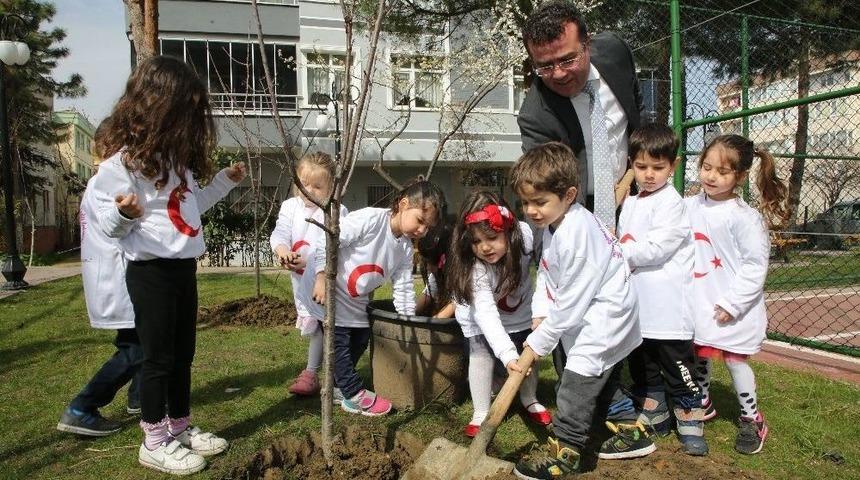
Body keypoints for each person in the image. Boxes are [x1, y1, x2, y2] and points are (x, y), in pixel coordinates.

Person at [89, 55, 247, 475]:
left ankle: (179, 425)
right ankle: (154, 439)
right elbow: (106, 223)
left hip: (182, 270)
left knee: (182, 355)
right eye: (185, 112)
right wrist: (124, 213)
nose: (192, 122)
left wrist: (223, 183)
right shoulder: (123, 165)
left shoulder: (176, 165)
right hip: (151, 272)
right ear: (158, 107)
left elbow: (190, 212)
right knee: (158, 358)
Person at [509, 143, 654, 480]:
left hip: (605, 316)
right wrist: (539, 313)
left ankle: (567, 451)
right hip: (591, 311)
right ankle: (631, 432)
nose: (531, 211)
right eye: (525, 202)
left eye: (539, 202)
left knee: (575, 381)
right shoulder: (556, 223)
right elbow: (546, 271)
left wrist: (535, 343)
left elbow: (571, 304)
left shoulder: (577, 234)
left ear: (569, 194)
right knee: (597, 379)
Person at [301, 179, 445, 416]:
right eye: (420, 221)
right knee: (339, 344)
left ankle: (338, 386)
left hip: (355, 298)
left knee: (359, 338)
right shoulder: (370, 220)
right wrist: (320, 276)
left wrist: (407, 323)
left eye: (427, 227)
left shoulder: (405, 248)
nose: (422, 231)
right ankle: (353, 393)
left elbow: (403, 287)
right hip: (327, 288)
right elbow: (329, 240)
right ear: (403, 204)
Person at [686, 134, 789, 455]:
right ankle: (702, 401)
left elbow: (754, 266)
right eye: (706, 167)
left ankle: (751, 418)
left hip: (733, 308)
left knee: (733, 361)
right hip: (701, 301)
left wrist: (733, 303)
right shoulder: (689, 204)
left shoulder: (745, 218)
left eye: (722, 171)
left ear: (740, 176)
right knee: (699, 353)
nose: (711, 176)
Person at [616, 124, 707, 455]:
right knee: (644, 363)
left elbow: (656, 249)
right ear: (632, 165)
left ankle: (690, 416)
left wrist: (616, 253)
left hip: (669, 308)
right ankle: (656, 412)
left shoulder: (673, 203)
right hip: (640, 305)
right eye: (641, 167)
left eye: (658, 167)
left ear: (674, 165)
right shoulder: (632, 201)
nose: (649, 175)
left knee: (676, 365)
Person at [518, 0, 643, 231]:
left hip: (636, 192)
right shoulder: (536, 116)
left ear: (587, 44)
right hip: (579, 211)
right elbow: (541, 187)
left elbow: (637, 108)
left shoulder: (616, 53)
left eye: (567, 59)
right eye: (545, 66)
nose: (559, 73)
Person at [446, 191, 551, 438]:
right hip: (481, 319)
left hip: (521, 310)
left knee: (528, 355)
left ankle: (529, 398)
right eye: (476, 241)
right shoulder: (475, 269)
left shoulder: (525, 236)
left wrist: (541, 308)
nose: (484, 247)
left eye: (492, 237)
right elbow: (486, 314)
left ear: (509, 231)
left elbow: (546, 268)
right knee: (481, 355)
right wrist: (505, 354)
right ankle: (481, 411)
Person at [56, 172, 143, 437]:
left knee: (142, 340)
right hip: (120, 275)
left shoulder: (99, 181)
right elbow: (116, 225)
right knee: (137, 348)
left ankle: (140, 398)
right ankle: (81, 407)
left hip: (113, 274)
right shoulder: (111, 180)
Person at [270, 151, 348, 396]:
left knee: (328, 328)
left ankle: (323, 375)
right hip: (301, 281)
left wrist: (313, 268)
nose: (310, 190)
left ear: (331, 187)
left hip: (325, 280)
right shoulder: (290, 207)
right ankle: (316, 374)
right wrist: (283, 251)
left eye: (318, 186)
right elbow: (281, 233)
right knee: (316, 327)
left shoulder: (336, 212)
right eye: (304, 184)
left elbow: (332, 248)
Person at [415, 221, 454, 318]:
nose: (428, 268)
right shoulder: (437, 276)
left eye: (431, 263)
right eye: (426, 262)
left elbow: (456, 304)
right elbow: (421, 303)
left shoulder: (463, 276)